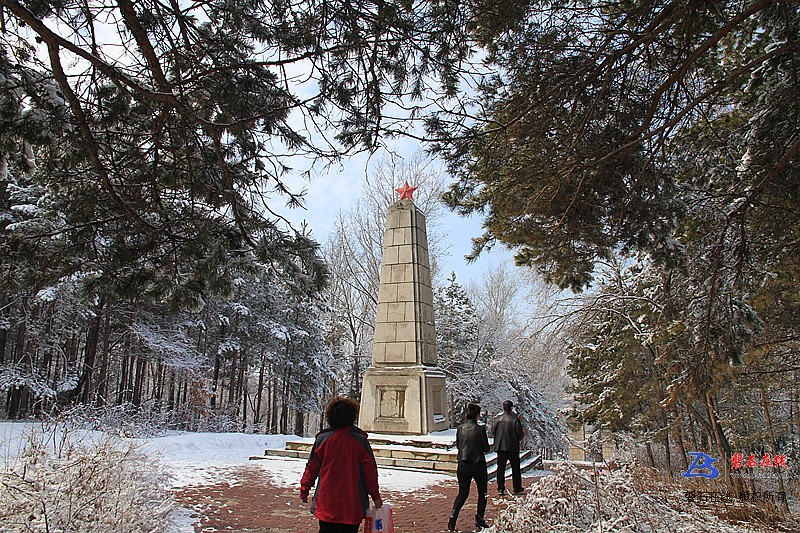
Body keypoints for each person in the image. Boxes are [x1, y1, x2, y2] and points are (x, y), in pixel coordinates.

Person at [300, 396, 382, 533]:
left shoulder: (323, 440)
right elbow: (370, 475)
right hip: (352, 503)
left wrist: (304, 489)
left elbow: (311, 468)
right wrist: (376, 497)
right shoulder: (360, 442)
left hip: (327, 503)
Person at [448, 402, 490, 531]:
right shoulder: (480, 429)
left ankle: (453, 515)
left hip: (463, 463)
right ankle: (479, 519)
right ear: (477, 415)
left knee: (462, 493)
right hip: (477, 464)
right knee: (482, 493)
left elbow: (459, 445)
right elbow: (486, 448)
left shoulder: (460, 428)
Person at [491, 399, 525, 496]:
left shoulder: (497, 419)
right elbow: (519, 434)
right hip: (512, 447)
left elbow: (493, 431)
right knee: (515, 468)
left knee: (500, 468)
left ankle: (500, 488)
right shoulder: (515, 419)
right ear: (511, 408)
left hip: (500, 447)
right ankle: (517, 487)